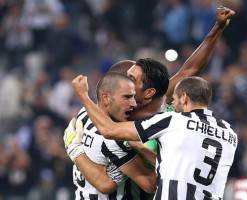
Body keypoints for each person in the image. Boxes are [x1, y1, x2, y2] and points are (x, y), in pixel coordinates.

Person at [65, 6, 235, 199]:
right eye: (126, 80)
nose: (128, 85)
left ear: (148, 93)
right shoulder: (107, 121)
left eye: (133, 80)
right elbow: (106, 182)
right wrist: (75, 149)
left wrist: (218, 28)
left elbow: (189, 70)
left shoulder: (161, 105)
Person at [71, 75, 238, 200]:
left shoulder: (173, 121)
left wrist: (83, 96)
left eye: (175, 100)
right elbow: (178, 162)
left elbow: (108, 130)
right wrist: (139, 147)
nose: (172, 106)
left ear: (185, 98)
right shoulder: (230, 134)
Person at [64, 72, 156, 199]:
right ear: (106, 98)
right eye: (127, 97)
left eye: (133, 97)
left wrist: (73, 149)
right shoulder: (116, 139)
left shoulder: (84, 113)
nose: (134, 103)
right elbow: (150, 184)